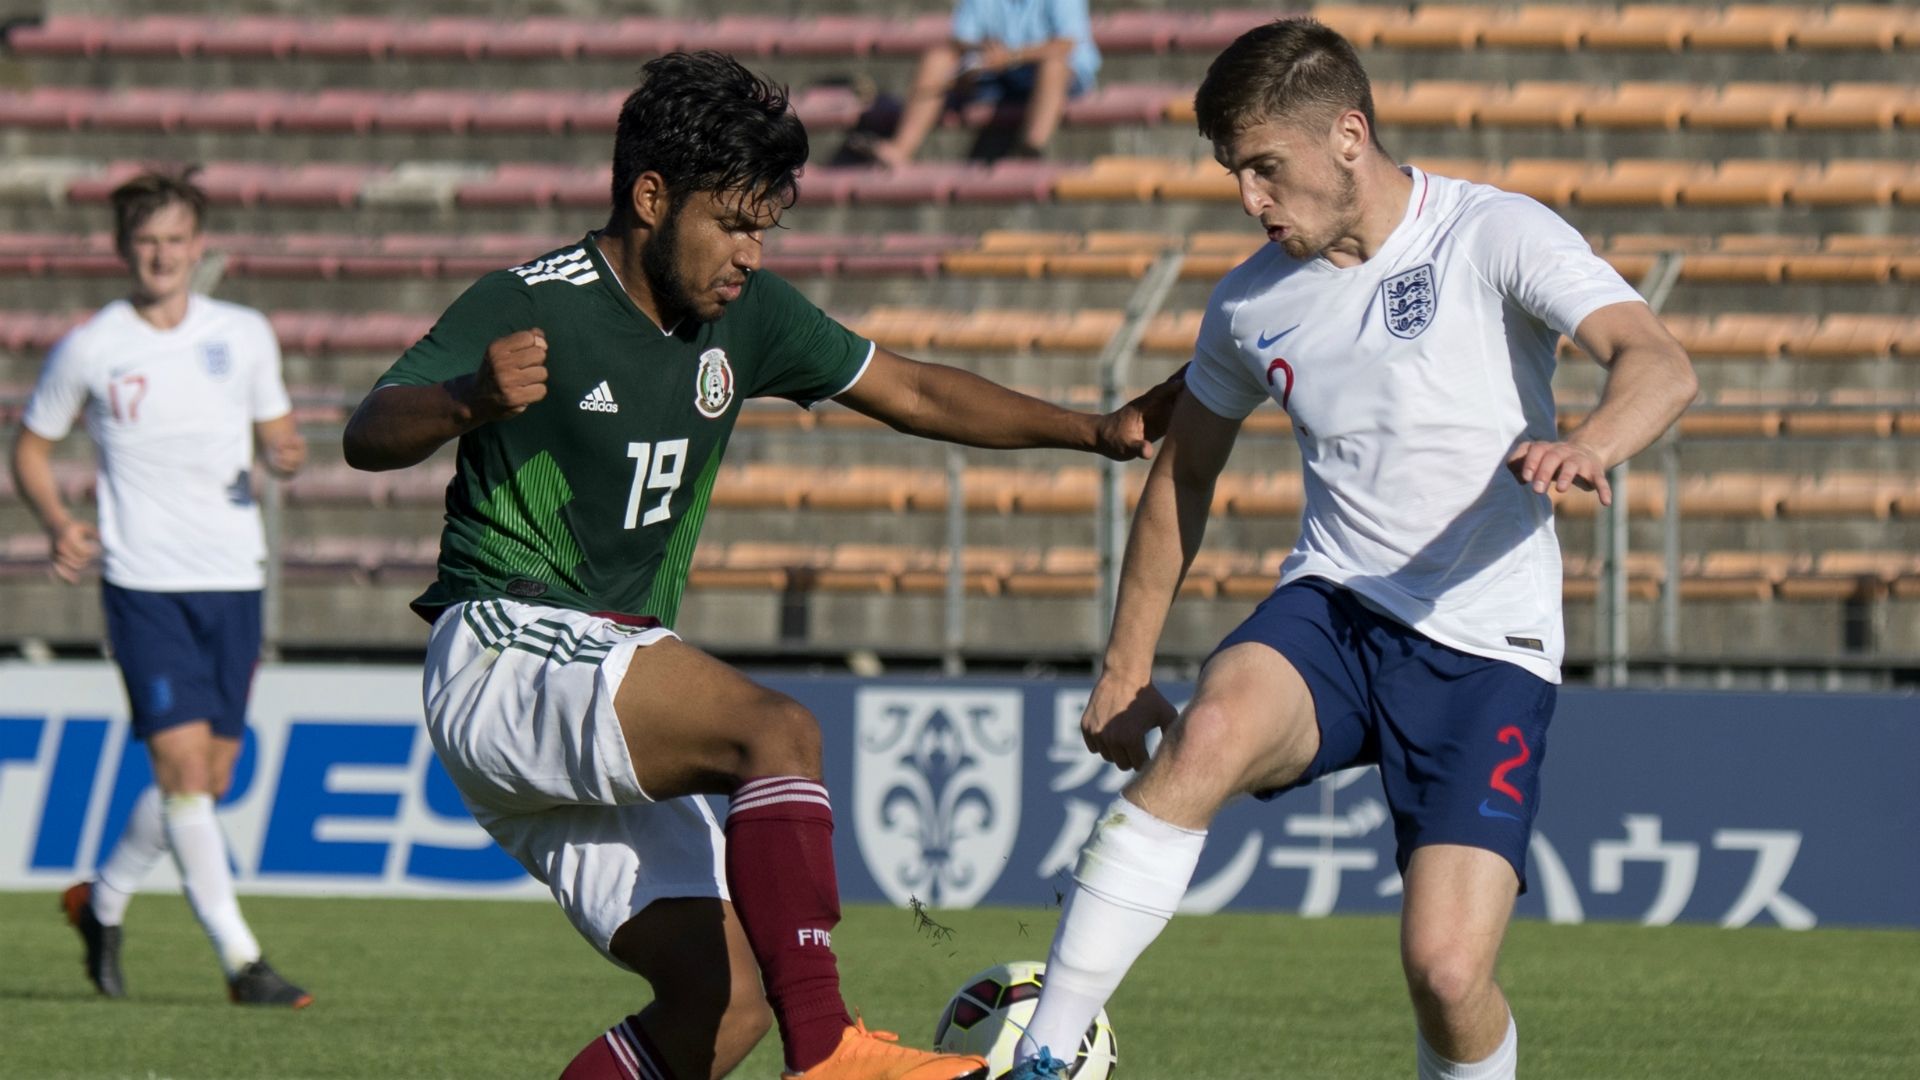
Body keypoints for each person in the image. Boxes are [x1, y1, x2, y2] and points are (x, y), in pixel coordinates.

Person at [341, 52, 1179, 1080]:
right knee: (775, 731)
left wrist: (1093, 431)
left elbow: (912, 391)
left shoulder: (750, 316)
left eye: (764, 228)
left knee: (725, 1002)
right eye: (733, 223)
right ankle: (827, 1050)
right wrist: (464, 399)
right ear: (652, 197)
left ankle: (799, 1034)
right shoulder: (533, 303)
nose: (750, 252)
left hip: (604, 675)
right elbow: (369, 430)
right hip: (501, 650)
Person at [1006, 18, 1697, 1080]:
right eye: (1237, 174)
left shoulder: (1493, 232)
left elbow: (1656, 359)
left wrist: (1590, 442)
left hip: (1487, 645)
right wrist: (1125, 667)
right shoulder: (1247, 305)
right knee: (1212, 730)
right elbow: (1185, 472)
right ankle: (1045, 1053)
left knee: (1448, 977)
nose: (1251, 200)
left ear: (1347, 135)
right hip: (1338, 607)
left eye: (1264, 170)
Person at [12, 169, 312, 1007]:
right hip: (144, 582)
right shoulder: (93, 346)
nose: (161, 256)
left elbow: (279, 433)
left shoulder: (244, 334)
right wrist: (58, 523)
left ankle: (99, 901)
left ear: (197, 247)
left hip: (233, 576)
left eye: (175, 241)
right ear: (122, 250)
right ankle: (243, 962)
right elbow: (30, 446)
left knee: (206, 782)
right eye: (146, 242)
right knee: (181, 769)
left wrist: (286, 454)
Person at [857, 0, 1100, 167]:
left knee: (1054, 66)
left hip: (1054, 76)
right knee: (938, 58)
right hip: (998, 75)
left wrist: (1012, 55)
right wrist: (979, 56)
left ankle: (1031, 148)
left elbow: (1067, 44)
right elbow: (961, 39)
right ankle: (901, 148)